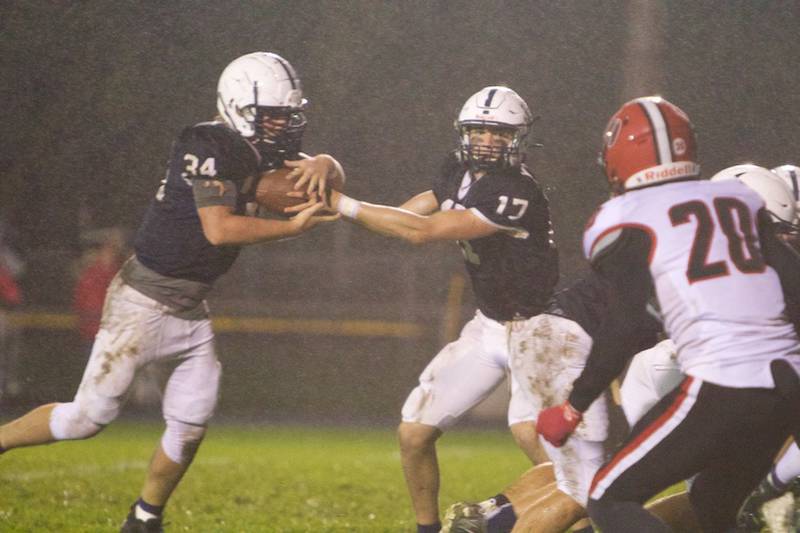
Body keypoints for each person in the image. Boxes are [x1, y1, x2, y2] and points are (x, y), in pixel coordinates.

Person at [0, 51, 341, 532]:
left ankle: (144, 518)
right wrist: (293, 229)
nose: (284, 124)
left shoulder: (254, 147)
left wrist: (327, 162)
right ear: (241, 106)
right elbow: (218, 229)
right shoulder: (206, 142)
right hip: (142, 301)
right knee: (86, 419)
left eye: (289, 115)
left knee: (190, 424)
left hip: (189, 306)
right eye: (275, 115)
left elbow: (319, 178)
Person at [299, 86, 560, 533]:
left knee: (536, 442)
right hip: (488, 325)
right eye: (477, 131)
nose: (485, 142)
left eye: (498, 133)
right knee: (414, 433)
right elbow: (408, 216)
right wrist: (343, 204)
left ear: (518, 139)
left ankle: (578, 516)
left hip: (536, 328)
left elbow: (423, 232)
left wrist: (343, 204)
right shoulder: (457, 172)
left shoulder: (515, 191)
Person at [536, 96, 800, 532]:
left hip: (723, 382)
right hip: (786, 380)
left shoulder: (621, 218)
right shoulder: (735, 198)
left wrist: (573, 407)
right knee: (715, 504)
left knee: (608, 497)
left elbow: (623, 324)